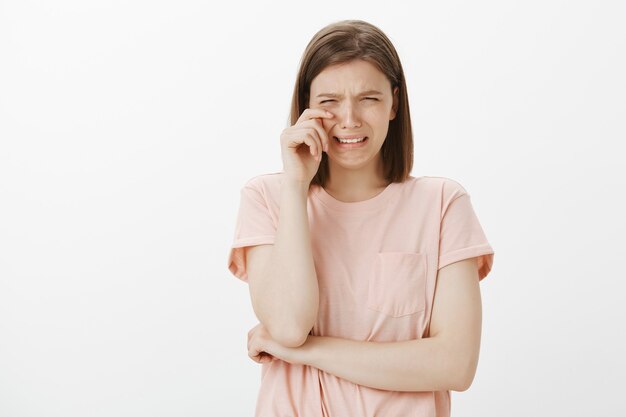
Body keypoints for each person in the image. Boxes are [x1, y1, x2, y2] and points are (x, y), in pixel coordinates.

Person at [226, 19, 495, 417]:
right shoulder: (268, 197)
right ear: (306, 107)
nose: (349, 118)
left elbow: (454, 365)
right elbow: (287, 326)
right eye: (330, 101)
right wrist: (297, 186)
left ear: (394, 103)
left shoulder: (442, 204)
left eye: (368, 98)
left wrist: (306, 352)